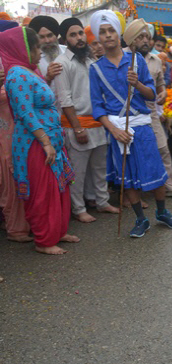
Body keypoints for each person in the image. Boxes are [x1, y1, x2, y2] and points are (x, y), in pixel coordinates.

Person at [89, 12, 172, 238]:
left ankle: (161, 212)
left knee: (156, 170)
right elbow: (97, 107)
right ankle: (141, 219)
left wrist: (137, 83)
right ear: (98, 37)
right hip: (117, 129)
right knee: (126, 177)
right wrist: (114, 131)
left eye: (111, 30)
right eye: (102, 32)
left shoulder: (136, 60)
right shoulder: (96, 69)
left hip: (141, 126)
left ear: (118, 33)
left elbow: (151, 95)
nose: (108, 35)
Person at [2, 26, 78, 254]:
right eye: (35, 47)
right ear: (21, 48)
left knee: (59, 187)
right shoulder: (16, 75)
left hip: (50, 140)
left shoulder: (30, 70)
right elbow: (25, 113)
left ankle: (58, 231)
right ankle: (44, 241)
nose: (38, 52)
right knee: (43, 192)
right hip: (34, 144)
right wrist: (45, 141)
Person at [52, 18, 119, 223]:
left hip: (98, 123)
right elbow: (65, 99)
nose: (79, 38)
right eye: (73, 35)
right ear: (64, 39)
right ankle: (78, 208)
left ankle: (102, 201)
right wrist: (78, 128)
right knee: (78, 172)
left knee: (100, 169)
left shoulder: (90, 61)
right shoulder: (62, 63)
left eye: (81, 33)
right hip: (78, 126)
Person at [133, 22, 172, 199]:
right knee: (134, 153)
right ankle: (135, 191)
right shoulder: (124, 57)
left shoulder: (156, 61)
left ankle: (170, 185)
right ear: (131, 39)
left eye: (148, 37)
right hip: (128, 114)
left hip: (151, 113)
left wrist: (163, 93)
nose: (145, 41)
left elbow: (161, 84)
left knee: (163, 148)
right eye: (141, 37)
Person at [0, 20, 32, 243]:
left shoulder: (19, 66)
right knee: (9, 181)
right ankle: (15, 228)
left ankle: (29, 223)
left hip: (21, 133)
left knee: (21, 176)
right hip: (5, 135)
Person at [28, 16, 64, 84]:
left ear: (56, 35)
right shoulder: (32, 58)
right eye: (41, 37)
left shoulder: (66, 51)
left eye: (50, 35)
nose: (47, 41)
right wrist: (48, 78)